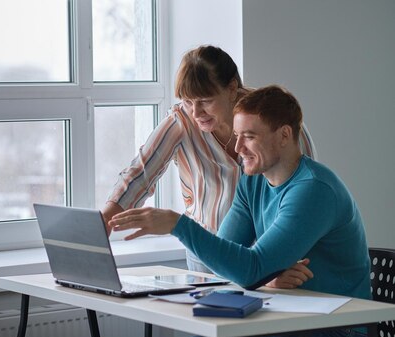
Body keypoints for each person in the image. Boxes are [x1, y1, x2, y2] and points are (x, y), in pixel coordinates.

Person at [109, 85, 371, 337]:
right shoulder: (252, 180)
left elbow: (250, 267)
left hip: (337, 327)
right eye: (236, 136)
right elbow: (224, 259)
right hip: (281, 317)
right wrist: (267, 278)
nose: (237, 148)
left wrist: (178, 225)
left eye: (249, 136)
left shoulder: (314, 190)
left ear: (283, 135)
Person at [102, 45, 316, 284]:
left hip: (263, 255)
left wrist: (275, 268)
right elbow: (140, 173)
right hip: (205, 249)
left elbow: (301, 196)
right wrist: (105, 221)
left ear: (232, 88)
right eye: (187, 101)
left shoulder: (272, 118)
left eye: (205, 100)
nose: (196, 112)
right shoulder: (181, 121)